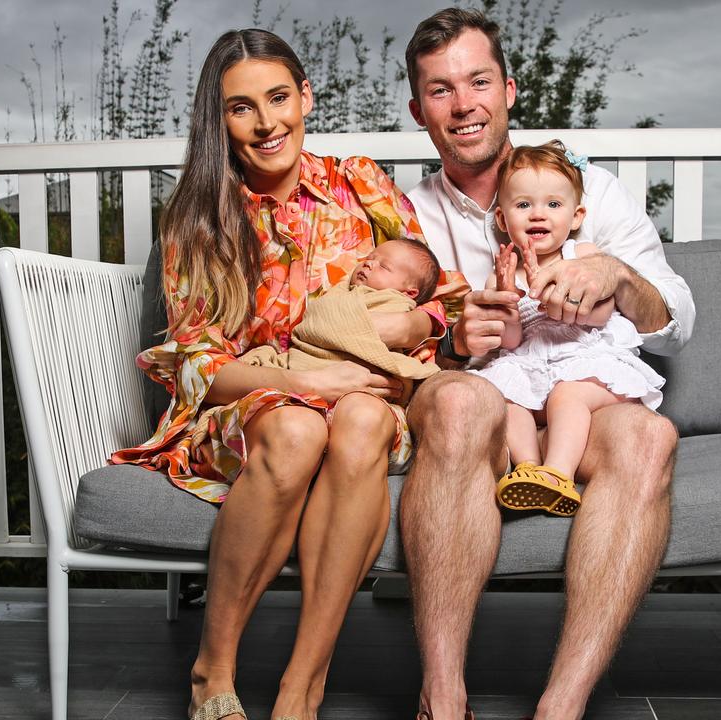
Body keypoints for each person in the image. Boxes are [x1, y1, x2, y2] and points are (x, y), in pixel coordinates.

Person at [108, 28, 458, 720]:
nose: (268, 123)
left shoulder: (360, 183)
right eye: (242, 108)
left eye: (278, 98)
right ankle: (215, 666)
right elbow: (200, 368)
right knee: (300, 428)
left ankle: (303, 685)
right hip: (252, 404)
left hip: (362, 397)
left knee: (359, 419)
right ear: (220, 120)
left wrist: (416, 325)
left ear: (306, 96)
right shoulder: (200, 219)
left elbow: (439, 293)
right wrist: (313, 385)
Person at [399, 8, 695, 720]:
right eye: (441, 90)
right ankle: (442, 702)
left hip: (574, 395)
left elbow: (675, 323)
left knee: (651, 437)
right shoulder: (405, 213)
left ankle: (560, 708)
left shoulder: (589, 191)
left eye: (478, 81)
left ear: (509, 88)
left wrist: (617, 277)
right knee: (460, 398)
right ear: (419, 110)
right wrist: (450, 343)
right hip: (481, 406)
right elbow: (374, 342)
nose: (464, 104)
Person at [475, 142, 665, 518]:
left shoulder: (583, 256)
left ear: (577, 216)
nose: (538, 215)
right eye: (523, 205)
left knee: (567, 395)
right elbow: (511, 341)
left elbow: (601, 314)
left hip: (585, 360)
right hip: (531, 364)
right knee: (504, 401)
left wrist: (552, 298)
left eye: (553, 205)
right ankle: (528, 469)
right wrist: (507, 296)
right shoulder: (502, 274)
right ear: (502, 219)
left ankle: (558, 474)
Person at [239, 238, 447, 403]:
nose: (369, 263)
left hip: (367, 383)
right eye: (369, 257)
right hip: (312, 372)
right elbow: (320, 314)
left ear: (409, 292)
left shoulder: (395, 303)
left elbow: (328, 322)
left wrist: (418, 323)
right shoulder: (345, 290)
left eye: (384, 267)